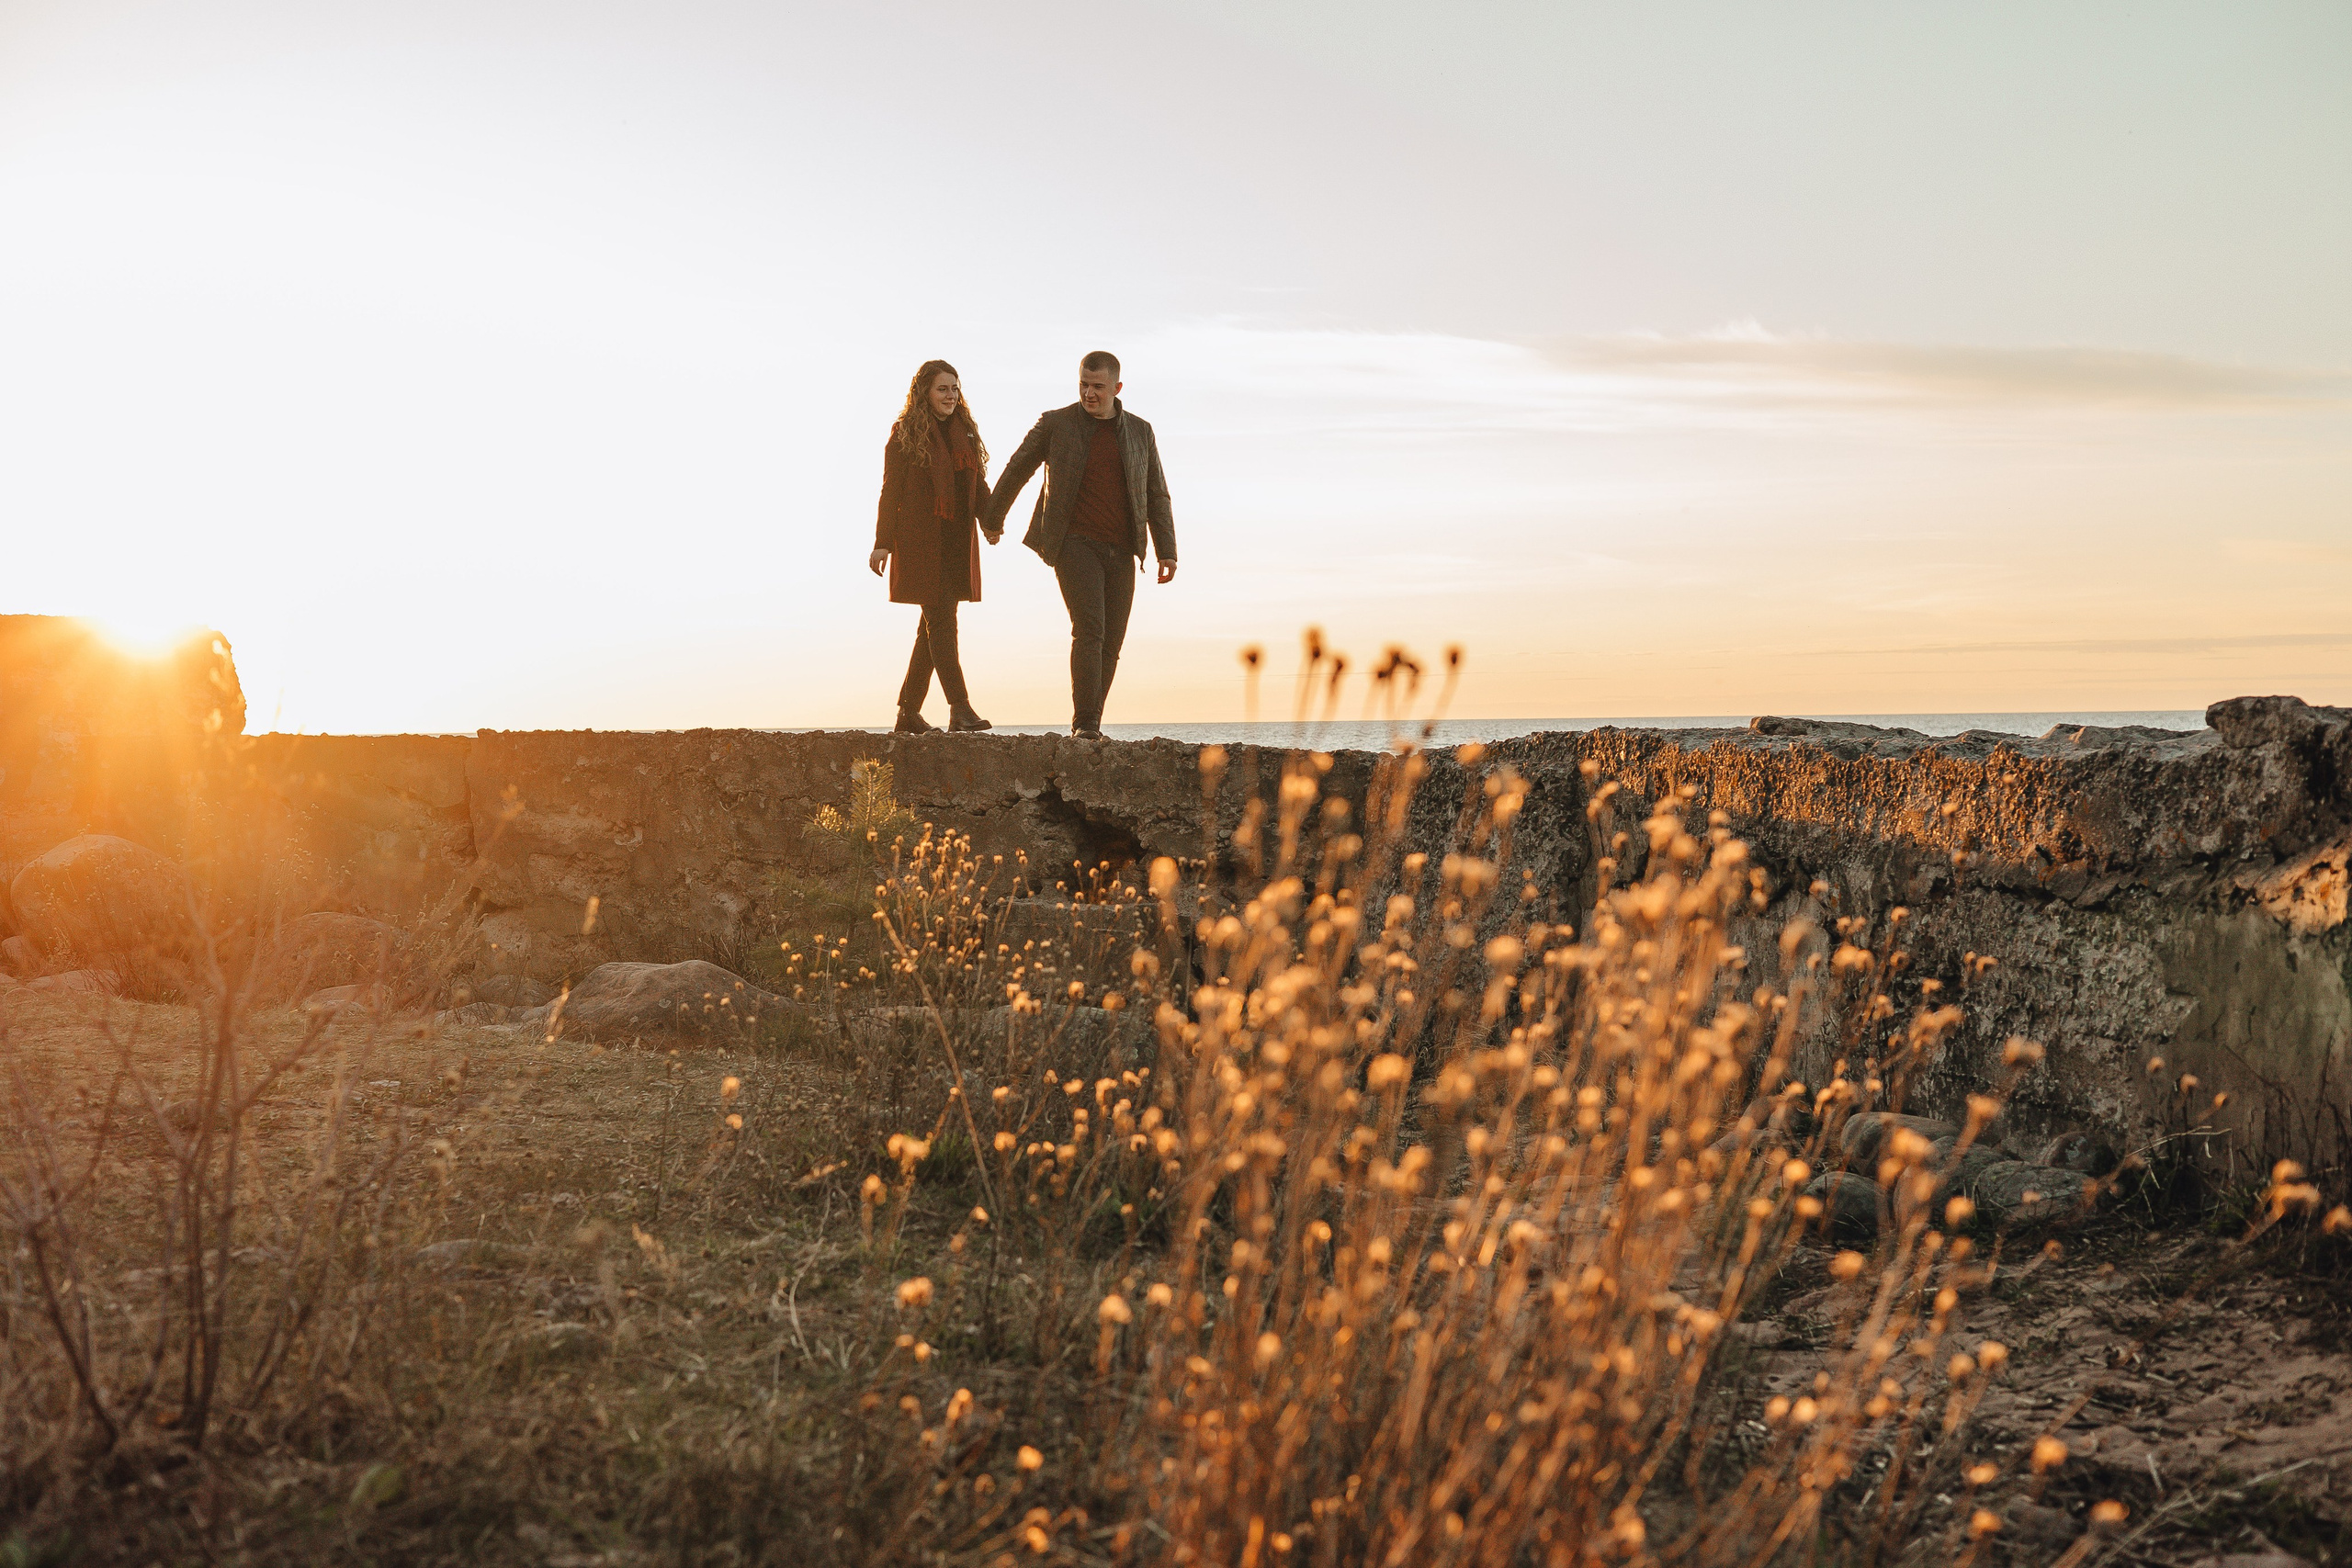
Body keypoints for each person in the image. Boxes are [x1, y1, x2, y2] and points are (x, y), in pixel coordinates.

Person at [981, 350, 1177, 740]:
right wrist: (992, 517)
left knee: (1112, 641)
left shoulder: (1140, 431)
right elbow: (1018, 466)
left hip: (1122, 549)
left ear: (1117, 388)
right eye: (1083, 385)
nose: (1089, 393)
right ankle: (1085, 725)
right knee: (1090, 629)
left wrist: (1166, 549)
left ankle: (1091, 724)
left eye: (1098, 387)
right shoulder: (1057, 423)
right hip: (1072, 542)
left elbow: (1157, 493)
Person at [871, 359, 995, 733]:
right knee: (942, 623)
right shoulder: (905, 434)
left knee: (933, 628)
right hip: (921, 543)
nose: (951, 396)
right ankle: (960, 707)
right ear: (925, 392)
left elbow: (978, 484)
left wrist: (990, 522)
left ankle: (908, 714)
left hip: (957, 542)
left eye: (955, 389)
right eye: (943, 389)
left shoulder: (966, 432)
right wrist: (881, 544)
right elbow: (889, 491)